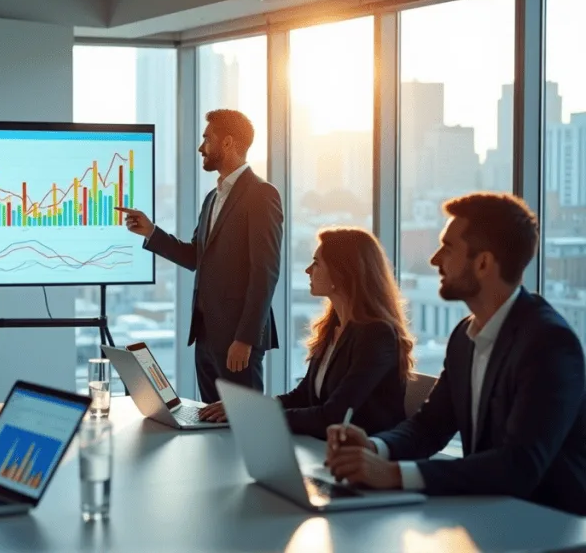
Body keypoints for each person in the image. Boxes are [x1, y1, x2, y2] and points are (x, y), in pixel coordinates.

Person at [325, 192, 586, 516]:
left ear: (483, 263)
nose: (435, 260)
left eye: (448, 247)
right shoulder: (465, 336)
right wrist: (374, 447)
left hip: (549, 528)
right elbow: (429, 427)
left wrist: (392, 474)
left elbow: (519, 466)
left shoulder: (549, 344)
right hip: (490, 514)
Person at [117, 109, 283, 399]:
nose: (201, 147)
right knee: (212, 424)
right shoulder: (213, 197)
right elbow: (196, 257)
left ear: (228, 143)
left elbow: (265, 272)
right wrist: (152, 232)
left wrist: (245, 339)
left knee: (242, 426)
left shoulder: (261, 194)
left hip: (237, 340)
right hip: (206, 336)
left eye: (207, 139)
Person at [199, 227, 413, 439]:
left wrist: (255, 414)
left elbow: (333, 415)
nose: (308, 270)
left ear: (342, 273)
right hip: (326, 447)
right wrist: (246, 406)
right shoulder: (333, 327)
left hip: (366, 457)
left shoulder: (377, 335)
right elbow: (302, 396)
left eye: (317, 263)